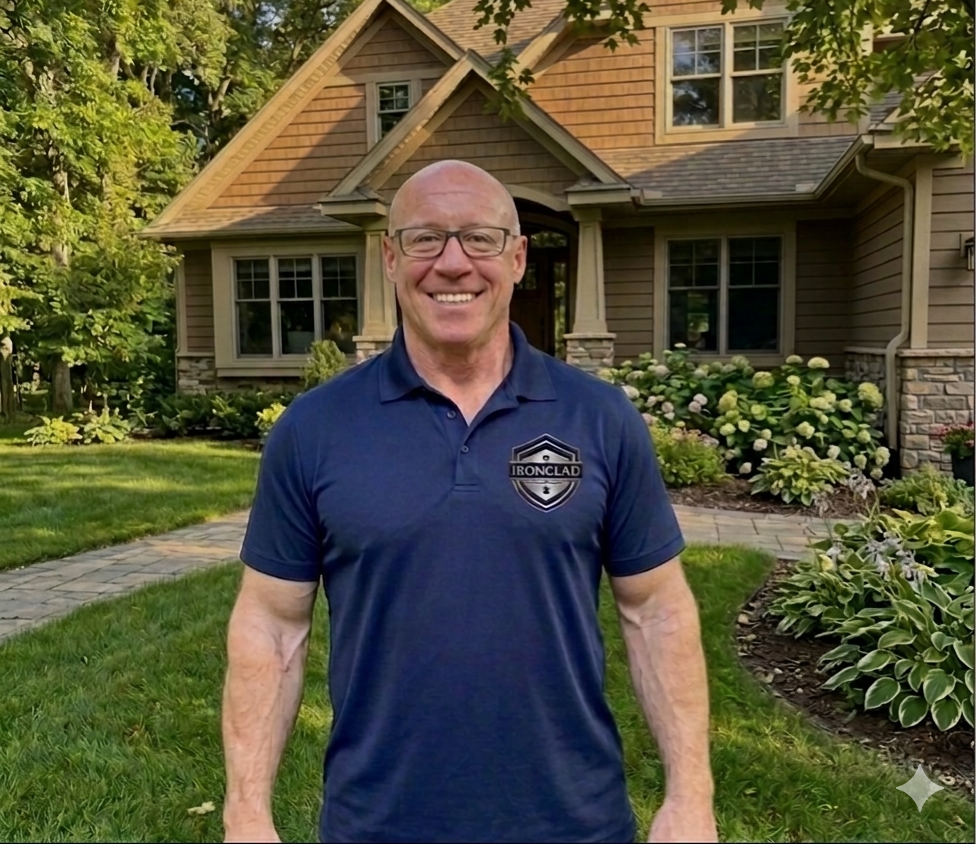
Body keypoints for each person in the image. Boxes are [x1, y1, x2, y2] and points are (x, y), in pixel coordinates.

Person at [222, 160, 717, 844]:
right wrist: (246, 811)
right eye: (426, 239)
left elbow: (656, 609)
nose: (452, 263)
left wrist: (691, 795)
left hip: (575, 822)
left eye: (479, 239)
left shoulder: (598, 418)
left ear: (517, 259)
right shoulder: (315, 429)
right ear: (391, 258)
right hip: (379, 823)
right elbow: (271, 628)